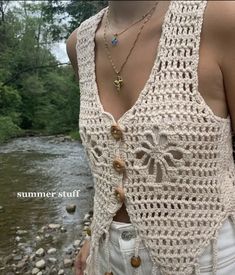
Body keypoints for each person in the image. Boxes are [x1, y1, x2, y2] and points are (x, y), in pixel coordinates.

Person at [66, 1, 235, 274]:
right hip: (106, 259)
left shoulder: (219, 18)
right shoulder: (79, 44)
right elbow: (108, 169)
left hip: (206, 257)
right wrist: (92, 235)